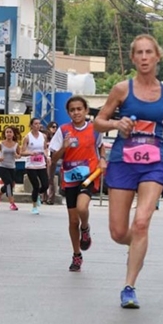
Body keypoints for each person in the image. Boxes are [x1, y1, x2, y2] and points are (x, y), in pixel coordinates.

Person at [94, 34, 163, 308]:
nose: (145, 57)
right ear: (133, 58)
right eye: (140, 53)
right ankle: (137, 244)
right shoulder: (122, 89)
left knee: (142, 222)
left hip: (155, 159)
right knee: (117, 231)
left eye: (149, 52)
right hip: (124, 160)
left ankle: (129, 286)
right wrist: (116, 125)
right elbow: (98, 122)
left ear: (158, 56)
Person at [49, 96, 107, 272]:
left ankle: (86, 228)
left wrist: (102, 159)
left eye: (79, 109)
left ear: (86, 110)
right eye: (72, 110)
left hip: (89, 175)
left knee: (82, 208)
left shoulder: (94, 129)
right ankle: (77, 255)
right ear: (68, 113)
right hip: (70, 178)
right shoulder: (63, 130)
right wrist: (64, 147)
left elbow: (100, 146)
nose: (76, 113)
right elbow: (53, 158)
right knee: (72, 220)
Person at [21, 118, 49, 214]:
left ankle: (37, 195)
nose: (38, 125)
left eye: (39, 124)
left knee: (45, 185)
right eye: (35, 124)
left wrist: (47, 156)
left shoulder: (43, 136)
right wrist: (31, 153)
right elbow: (22, 152)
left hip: (41, 164)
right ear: (31, 125)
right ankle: (34, 206)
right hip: (31, 165)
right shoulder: (27, 137)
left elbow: (45, 148)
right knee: (36, 185)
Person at [0, 126, 21, 211]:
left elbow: (19, 155)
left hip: (12, 167)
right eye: (7, 132)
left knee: (11, 184)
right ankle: (12, 204)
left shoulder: (16, 144)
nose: (8, 134)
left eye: (10, 132)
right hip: (2, 166)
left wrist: (17, 156)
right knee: (8, 184)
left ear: (13, 134)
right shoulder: (1, 143)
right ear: (5, 134)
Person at [44, 121, 59, 205]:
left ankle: (51, 198)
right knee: (43, 178)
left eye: (56, 127)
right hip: (44, 158)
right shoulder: (45, 136)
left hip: (53, 159)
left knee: (50, 178)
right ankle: (44, 197)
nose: (54, 129)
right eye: (53, 127)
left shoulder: (57, 138)